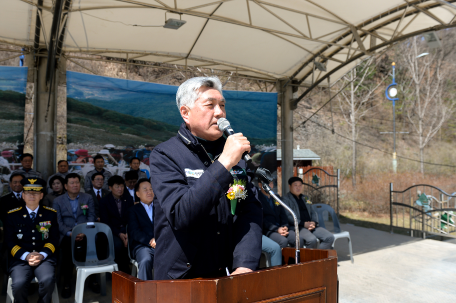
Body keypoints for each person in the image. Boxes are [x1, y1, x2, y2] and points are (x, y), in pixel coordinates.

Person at [149, 77, 262, 280]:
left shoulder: (234, 156)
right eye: (210, 105)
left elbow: (249, 211)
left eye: (222, 105)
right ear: (185, 113)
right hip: (180, 277)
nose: (219, 113)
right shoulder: (165, 155)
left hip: (226, 273)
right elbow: (180, 214)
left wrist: (245, 263)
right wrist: (223, 164)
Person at [5, 178, 59, 303]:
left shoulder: (50, 214)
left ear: (41, 195)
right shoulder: (12, 215)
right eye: (29, 193)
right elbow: (10, 241)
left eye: (35, 193)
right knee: (18, 284)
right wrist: (27, 255)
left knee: (48, 280)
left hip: (44, 258)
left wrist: (42, 255)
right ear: (23, 196)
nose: (32, 196)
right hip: (20, 259)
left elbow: (54, 238)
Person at [52, 173, 97, 298]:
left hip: (85, 232)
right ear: (66, 186)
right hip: (67, 234)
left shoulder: (87, 198)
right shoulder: (57, 201)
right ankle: (67, 282)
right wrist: (70, 233)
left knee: (93, 246)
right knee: (67, 249)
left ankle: (93, 279)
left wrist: (84, 231)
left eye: (77, 182)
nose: (75, 185)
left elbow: (91, 216)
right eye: (72, 183)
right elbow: (57, 222)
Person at [282, 177, 335, 249]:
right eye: (295, 185)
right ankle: (309, 259)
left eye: (300, 185)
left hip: (310, 225)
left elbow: (313, 211)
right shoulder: (285, 199)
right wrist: (303, 224)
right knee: (311, 240)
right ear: (290, 186)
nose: (298, 187)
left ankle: (319, 257)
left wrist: (314, 222)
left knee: (329, 237)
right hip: (298, 227)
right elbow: (288, 216)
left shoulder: (306, 198)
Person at [99, 175, 134, 273]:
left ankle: (127, 270)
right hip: (112, 231)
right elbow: (106, 222)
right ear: (110, 187)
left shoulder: (129, 199)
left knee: (131, 243)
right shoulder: (104, 202)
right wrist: (119, 234)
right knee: (118, 245)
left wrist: (127, 233)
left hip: (127, 229)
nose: (120, 189)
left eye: (122, 186)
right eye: (117, 186)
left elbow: (132, 218)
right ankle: (118, 271)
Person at [128, 178, 155, 280]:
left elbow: (165, 228)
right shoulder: (133, 210)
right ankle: (146, 294)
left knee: (171, 259)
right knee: (146, 260)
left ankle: (165, 292)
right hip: (141, 246)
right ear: (138, 194)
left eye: (151, 189)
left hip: (160, 244)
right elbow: (134, 232)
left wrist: (158, 240)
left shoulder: (160, 208)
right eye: (145, 189)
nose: (149, 192)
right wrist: (151, 241)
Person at [258, 179, 296, 249]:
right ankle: (281, 260)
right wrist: (276, 229)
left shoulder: (276, 197)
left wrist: (285, 226)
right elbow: (261, 219)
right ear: (260, 185)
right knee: (283, 241)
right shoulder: (257, 199)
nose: (269, 185)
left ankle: (296, 260)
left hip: (281, 228)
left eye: (271, 183)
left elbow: (283, 214)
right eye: (267, 183)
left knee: (297, 238)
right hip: (268, 230)